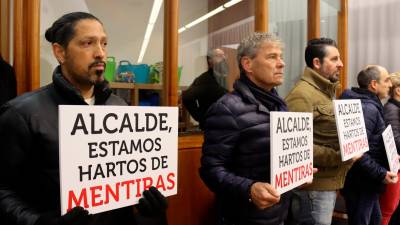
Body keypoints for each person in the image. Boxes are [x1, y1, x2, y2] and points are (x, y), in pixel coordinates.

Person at [0, 12, 167, 225]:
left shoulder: (120, 107)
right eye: (87, 43)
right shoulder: (21, 114)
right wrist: (38, 222)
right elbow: (3, 188)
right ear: (60, 52)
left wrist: (147, 207)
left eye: (104, 43)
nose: (100, 53)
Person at [200, 32, 291, 225]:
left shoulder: (280, 105)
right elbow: (211, 170)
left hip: (279, 214)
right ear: (247, 64)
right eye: (272, 57)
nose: (281, 63)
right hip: (244, 217)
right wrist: (249, 189)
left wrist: (298, 173)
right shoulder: (226, 109)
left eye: (281, 56)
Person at [285, 38, 361, 225]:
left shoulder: (325, 92)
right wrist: (339, 156)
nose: (341, 64)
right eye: (334, 59)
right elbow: (296, 147)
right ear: (317, 63)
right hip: (314, 188)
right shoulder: (301, 95)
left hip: (326, 184)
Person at [340, 65, 398, 225]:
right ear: (374, 84)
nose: (390, 85)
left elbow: (372, 144)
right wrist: (381, 173)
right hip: (363, 183)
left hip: (367, 183)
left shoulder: (368, 105)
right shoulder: (367, 108)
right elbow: (357, 152)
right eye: (386, 80)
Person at [182, 48, 228, 130]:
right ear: (210, 61)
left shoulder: (220, 78)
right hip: (212, 130)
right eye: (219, 56)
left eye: (224, 55)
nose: (224, 58)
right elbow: (186, 96)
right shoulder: (204, 79)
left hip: (224, 127)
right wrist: (201, 118)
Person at [380, 72, 400, 225]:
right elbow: (395, 141)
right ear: (398, 90)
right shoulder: (392, 110)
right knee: (387, 210)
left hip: (395, 167)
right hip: (392, 168)